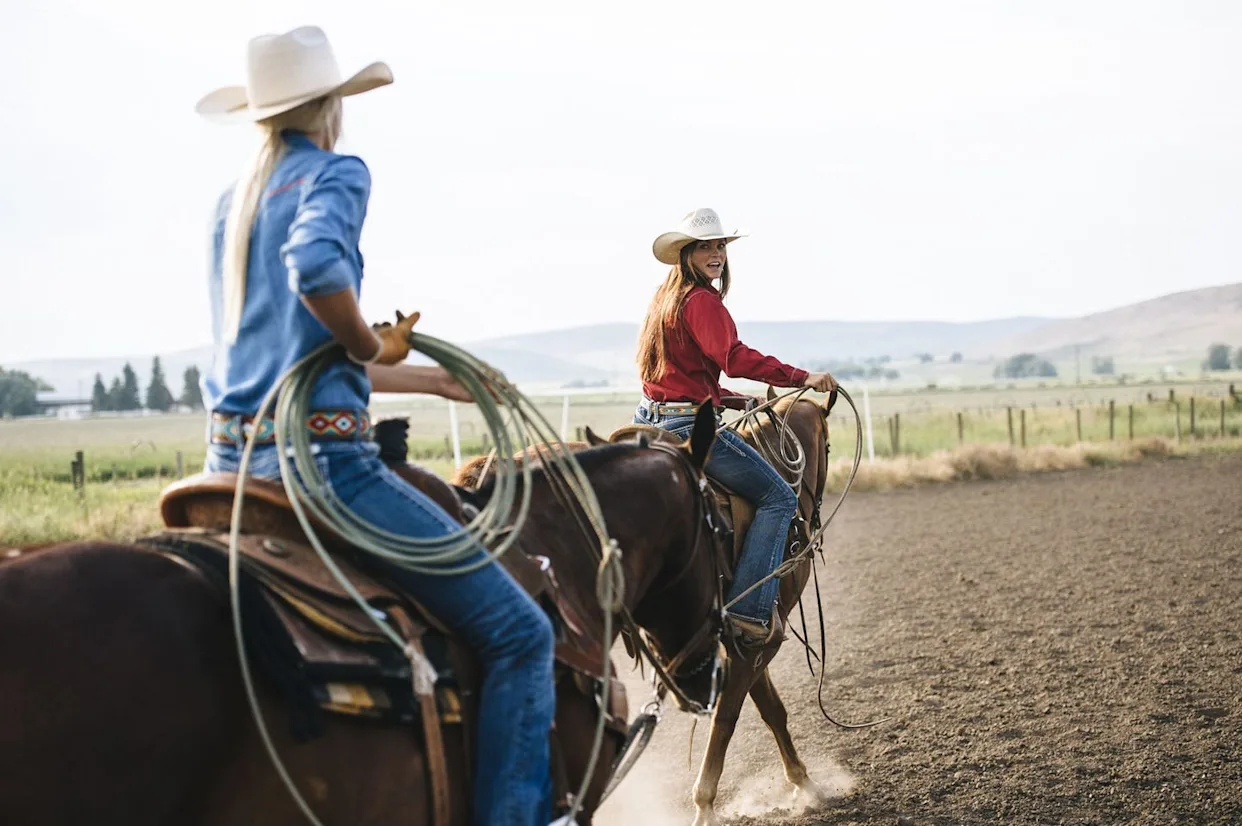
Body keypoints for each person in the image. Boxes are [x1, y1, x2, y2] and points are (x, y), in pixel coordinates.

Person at [195, 26, 565, 826]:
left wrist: (430, 378)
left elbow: (292, 359)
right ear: (332, 106)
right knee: (521, 636)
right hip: (324, 468)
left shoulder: (234, 204)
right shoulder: (337, 172)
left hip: (228, 465)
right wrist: (367, 342)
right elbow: (317, 270)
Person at [634, 208, 837, 647]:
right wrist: (801, 377)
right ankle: (749, 610)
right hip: (689, 428)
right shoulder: (702, 301)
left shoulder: (665, 299)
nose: (716, 254)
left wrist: (730, 399)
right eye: (705, 247)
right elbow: (734, 357)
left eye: (721, 246)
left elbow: (678, 375)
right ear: (686, 253)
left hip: (649, 420)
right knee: (780, 498)